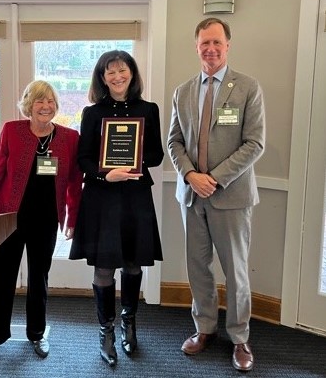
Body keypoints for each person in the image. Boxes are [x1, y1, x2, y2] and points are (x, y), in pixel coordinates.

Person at [167, 18, 265, 372]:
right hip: (192, 196)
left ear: (228, 46)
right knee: (198, 268)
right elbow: (173, 141)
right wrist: (192, 175)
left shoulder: (248, 88)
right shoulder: (183, 91)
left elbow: (255, 144)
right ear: (196, 46)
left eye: (217, 43)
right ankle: (204, 328)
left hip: (231, 196)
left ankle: (240, 338)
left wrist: (214, 178)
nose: (211, 48)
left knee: (236, 271)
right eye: (204, 43)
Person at [69, 50, 164, 367]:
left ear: (132, 74)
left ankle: (130, 322)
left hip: (135, 195)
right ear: (102, 77)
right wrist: (105, 172)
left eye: (122, 70)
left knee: (134, 264)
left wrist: (133, 159)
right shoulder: (92, 113)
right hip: (103, 198)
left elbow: (156, 155)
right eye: (110, 72)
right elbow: (83, 158)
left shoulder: (148, 110)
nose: (117, 76)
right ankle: (106, 331)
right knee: (104, 268)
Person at [0, 80, 83, 360]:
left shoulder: (70, 137)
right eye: (40, 101)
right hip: (9, 217)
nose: (46, 106)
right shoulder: (11, 131)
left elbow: (76, 181)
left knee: (39, 277)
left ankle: (37, 334)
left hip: (47, 217)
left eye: (50, 101)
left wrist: (71, 218)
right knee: (3, 276)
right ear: (29, 104)